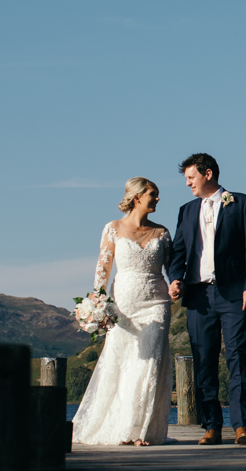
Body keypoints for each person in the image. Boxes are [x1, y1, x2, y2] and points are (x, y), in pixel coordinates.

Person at [166, 153, 246, 445]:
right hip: (199, 297)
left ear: (207, 174)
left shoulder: (241, 202)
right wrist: (175, 278)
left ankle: (242, 426)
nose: (188, 184)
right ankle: (211, 425)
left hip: (235, 295)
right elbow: (178, 252)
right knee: (204, 362)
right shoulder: (186, 210)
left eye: (191, 178)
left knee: (238, 358)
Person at [71, 177, 174, 446]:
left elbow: (174, 269)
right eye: (153, 194)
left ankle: (139, 431)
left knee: (150, 363)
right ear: (138, 197)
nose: (158, 199)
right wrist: (97, 304)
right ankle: (120, 426)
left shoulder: (162, 233)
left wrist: (178, 284)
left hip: (156, 304)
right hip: (123, 307)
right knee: (125, 363)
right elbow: (103, 269)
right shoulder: (113, 228)